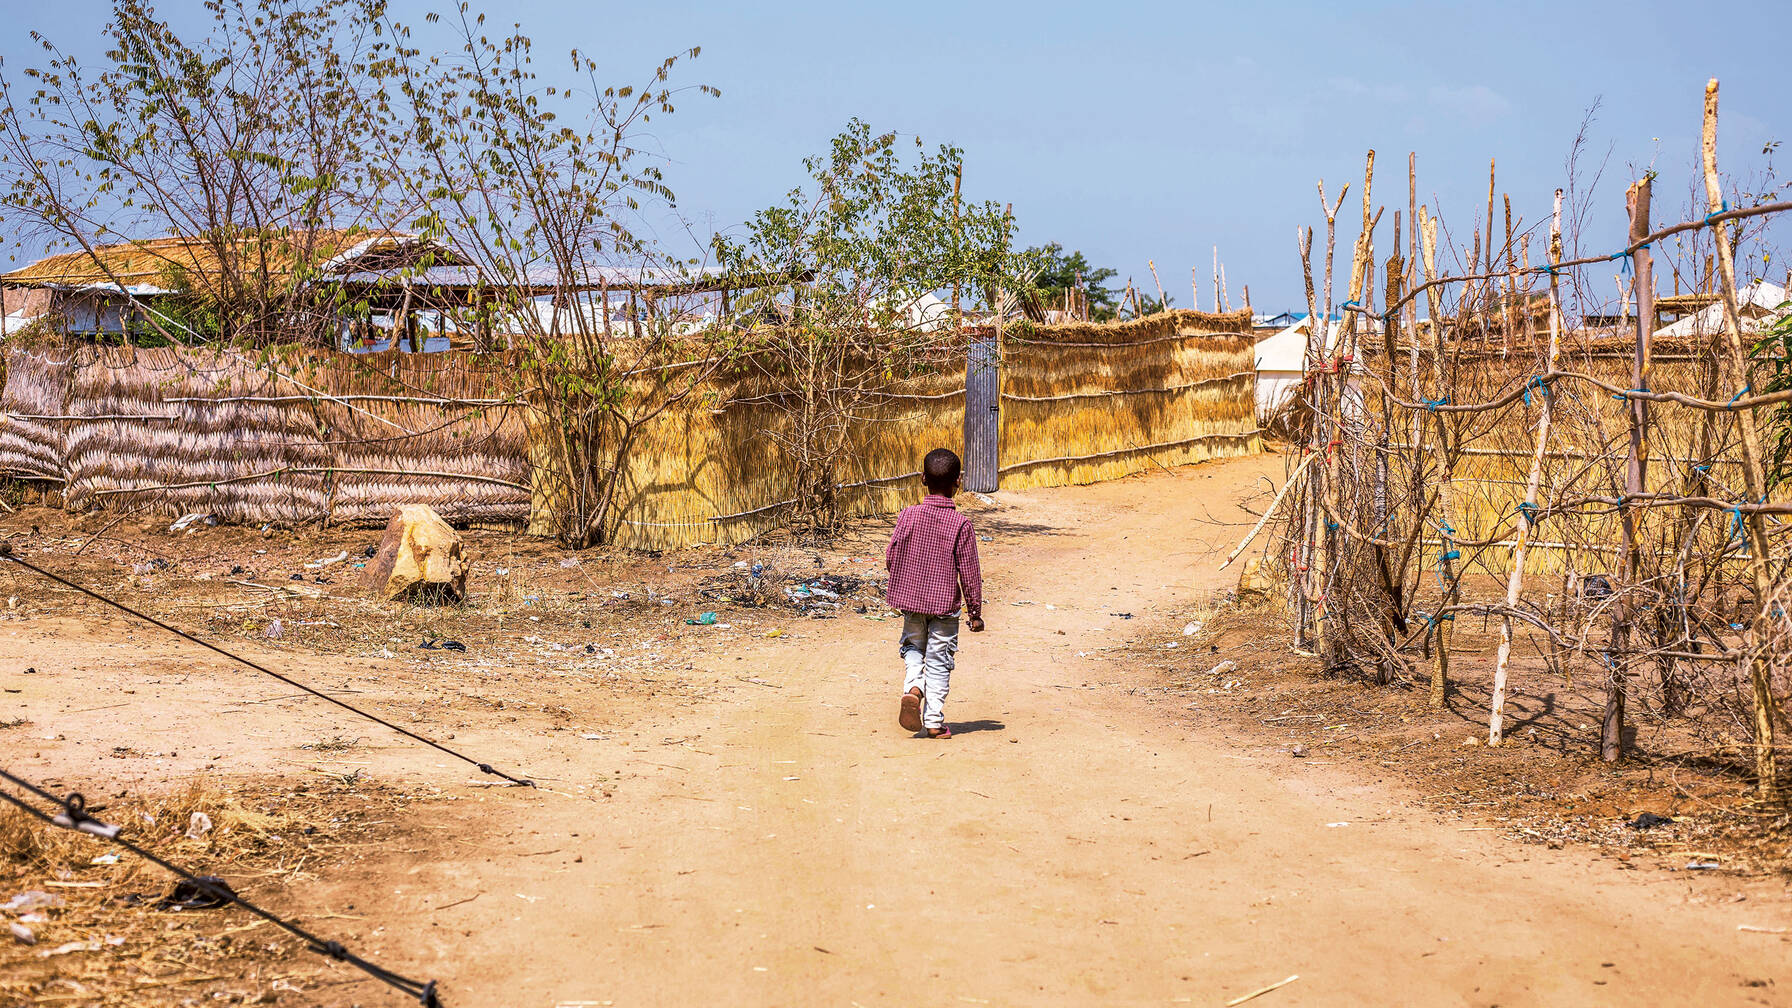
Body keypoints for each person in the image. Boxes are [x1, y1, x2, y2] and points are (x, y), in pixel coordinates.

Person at [885, 447, 984, 739]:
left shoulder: (908, 515)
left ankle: (913, 688)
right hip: (945, 607)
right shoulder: (961, 524)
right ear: (958, 482)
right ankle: (933, 721)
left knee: (913, 648)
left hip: (911, 603)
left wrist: (907, 580)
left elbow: (891, 557)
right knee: (940, 660)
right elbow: (969, 573)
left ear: (923, 479)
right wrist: (975, 612)